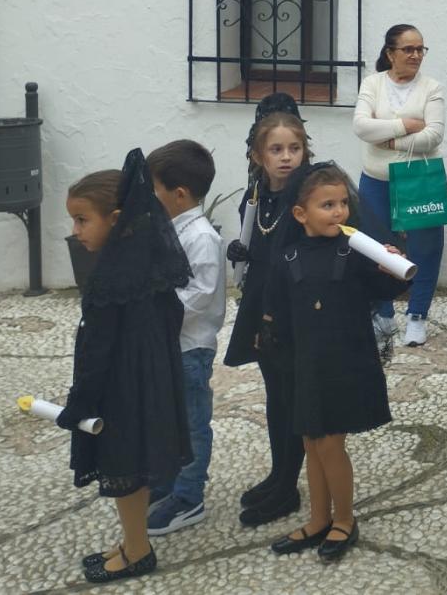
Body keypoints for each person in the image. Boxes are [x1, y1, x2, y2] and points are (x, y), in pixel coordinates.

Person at [263, 163, 405, 562]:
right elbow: (277, 306)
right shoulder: (288, 255)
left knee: (329, 443)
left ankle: (344, 519)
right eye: (327, 205)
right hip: (306, 362)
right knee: (311, 441)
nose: (339, 211)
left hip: (345, 361)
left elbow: (383, 288)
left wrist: (391, 267)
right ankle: (318, 518)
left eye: (343, 203)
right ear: (300, 214)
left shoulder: (355, 250)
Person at [61, 152, 192, 584]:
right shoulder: (149, 269)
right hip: (148, 384)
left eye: (83, 220)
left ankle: (136, 550)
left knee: (125, 471)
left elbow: (97, 353)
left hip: (121, 392)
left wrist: (78, 404)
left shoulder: (110, 281)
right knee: (132, 470)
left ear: (116, 218)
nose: (76, 231)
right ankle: (132, 540)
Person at [223, 109, 310, 527]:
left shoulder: (307, 197)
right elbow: (256, 239)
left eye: (294, 148)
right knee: (275, 395)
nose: (286, 157)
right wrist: (242, 252)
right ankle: (279, 475)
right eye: (276, 149)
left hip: (293, 315)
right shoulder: (258, 195)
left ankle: (288, 486)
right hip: (262, 307)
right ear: (259, 156)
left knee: (293, 395)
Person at [145, 140, 226, 537]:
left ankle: (188, 495)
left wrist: (153, 307)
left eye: (154, 189)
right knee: (165, 417)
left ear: (178, 194)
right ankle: (165, 481)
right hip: (166, 345)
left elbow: (198, 294)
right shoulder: (169, 230)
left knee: (193, 422)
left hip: (190, 348)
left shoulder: (202, 238)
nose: (149, 197)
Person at [354, 23, 447, 348]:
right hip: (376, 180)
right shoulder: (373, 83)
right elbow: (361, 126)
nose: (416, 55)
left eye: (421, 49)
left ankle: (417, 315)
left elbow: (434, 135)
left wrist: (389, 141)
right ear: (390, 53)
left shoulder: (431, 87)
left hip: (419, 179)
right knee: (377, 247)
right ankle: (383, 312)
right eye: (408, 49)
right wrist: (406, 126)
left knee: (426, 248)